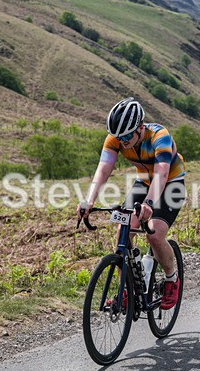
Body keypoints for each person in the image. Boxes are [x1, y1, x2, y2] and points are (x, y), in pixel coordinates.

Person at [77, 98, 186, 309]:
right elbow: (104, 168)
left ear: (140, 128)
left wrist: (149, 204)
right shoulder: (115, 139)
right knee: (123, 232)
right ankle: (127, 289)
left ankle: (172, 279)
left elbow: (162, 173)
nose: (123, 141)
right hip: (144, 182)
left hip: (171, 184)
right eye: (119, 137)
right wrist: (89, 200)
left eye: (127, 136)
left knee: (154, 233)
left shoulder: (159, 136)